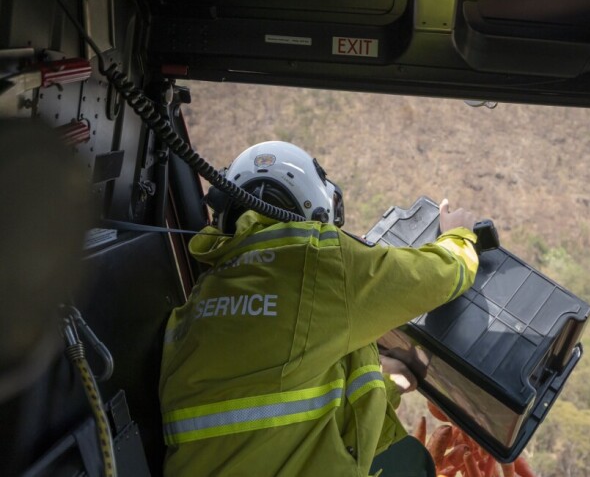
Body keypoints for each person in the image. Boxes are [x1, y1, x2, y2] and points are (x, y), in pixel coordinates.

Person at [158, 140, 479, 476]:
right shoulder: (316, 261)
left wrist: (384, 384)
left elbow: (272, 397)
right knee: (411, 464)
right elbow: (436, 277)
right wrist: (458, 237)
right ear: (318, 206)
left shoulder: (197, 301)